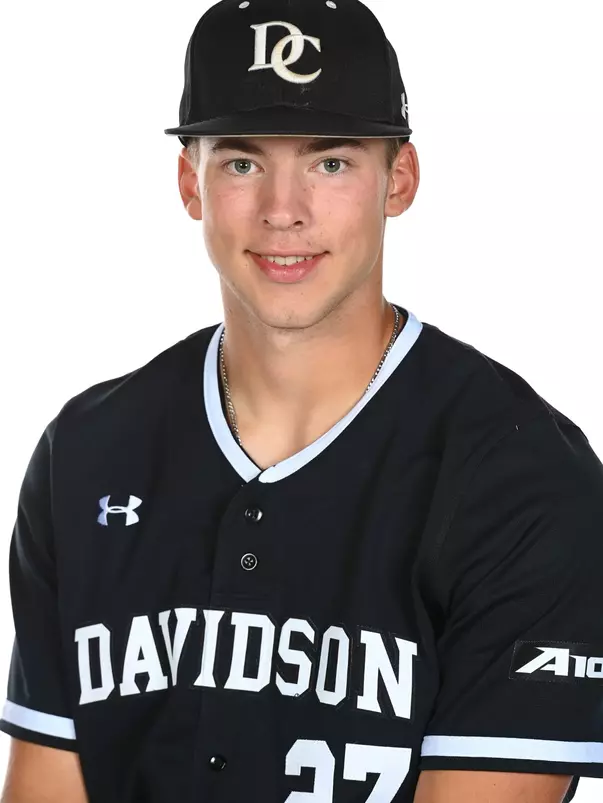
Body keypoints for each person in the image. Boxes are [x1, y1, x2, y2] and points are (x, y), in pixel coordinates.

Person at [1, 0, 602, 801]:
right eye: (242, 162)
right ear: (191, 182)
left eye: (330, 162)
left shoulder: (522, 478)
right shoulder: (86, 452)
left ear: (400, 179)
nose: (283, 211)